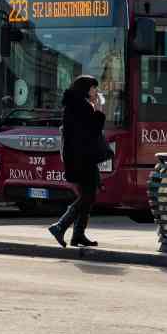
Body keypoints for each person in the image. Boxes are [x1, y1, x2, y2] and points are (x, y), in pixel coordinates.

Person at [48, 75, 110, 248]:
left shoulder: (74, 105)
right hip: (82, 158)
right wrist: (98, 112)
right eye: (93, 88)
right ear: (86, 89)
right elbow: (91, 132)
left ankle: (78, 235)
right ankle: (60, 226)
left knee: (88, 196)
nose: (96, 91)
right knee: (87, 196)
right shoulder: (81, 107)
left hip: (78, 157)